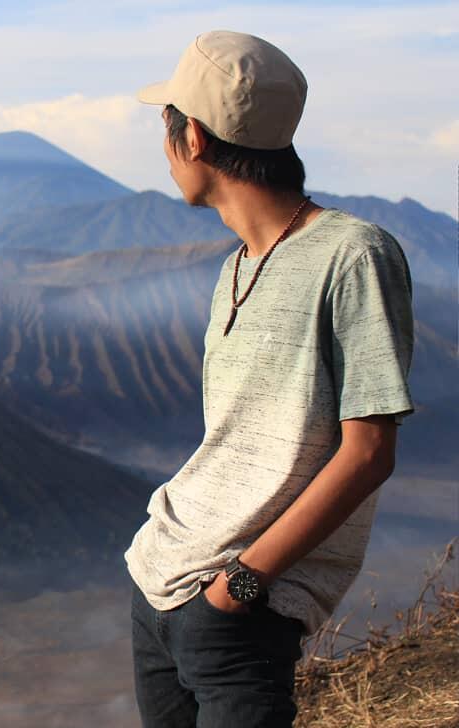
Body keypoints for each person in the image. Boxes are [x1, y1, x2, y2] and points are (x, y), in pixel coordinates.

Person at [123, 30, 415, 727]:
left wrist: (243, 585)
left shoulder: (353, 255)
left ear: (192, 137)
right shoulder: (236, 266)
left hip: (236, 610)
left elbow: (369, 451)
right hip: (158, 584)